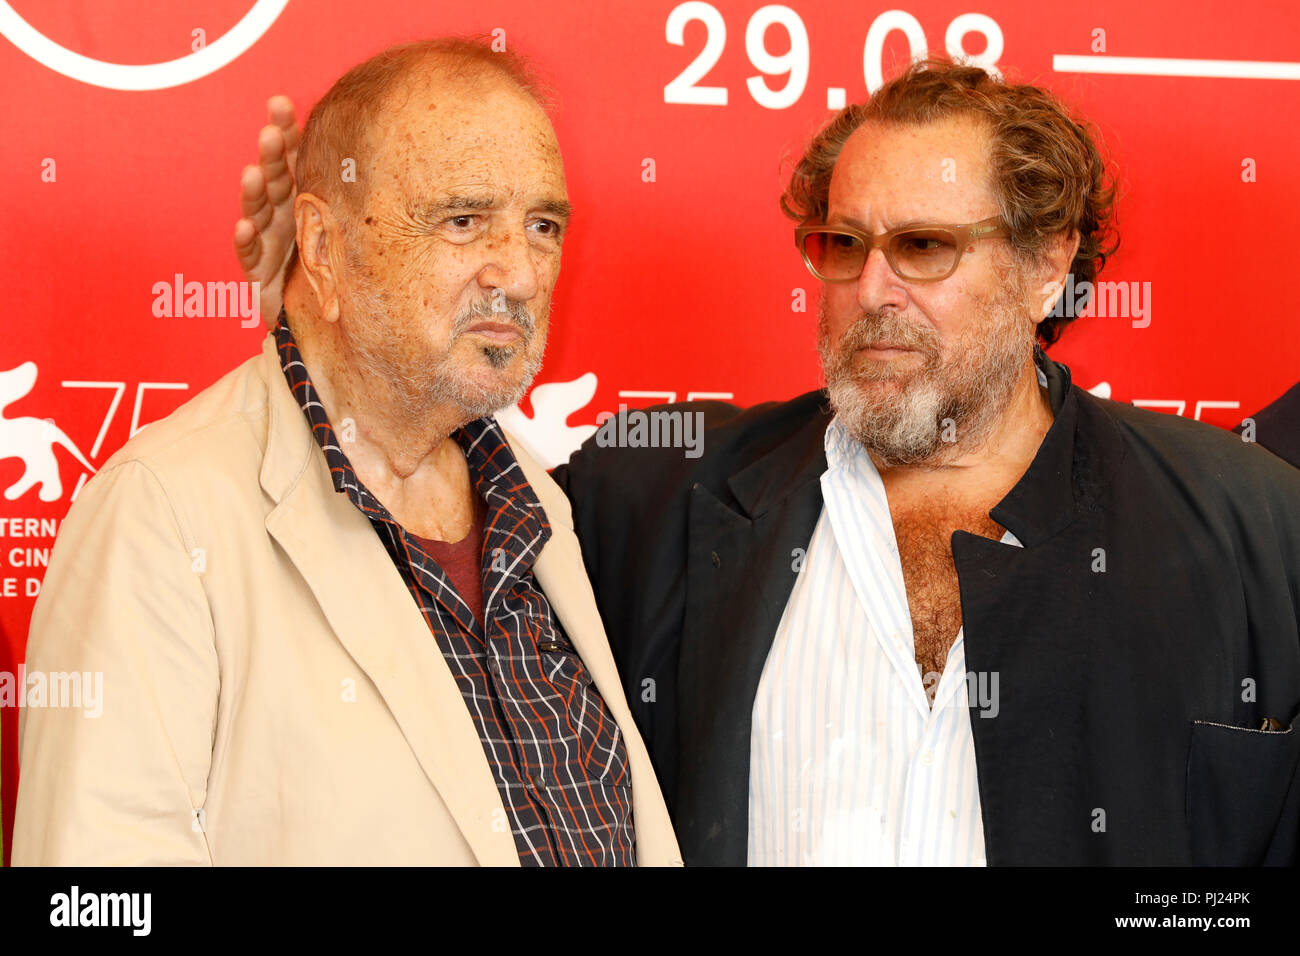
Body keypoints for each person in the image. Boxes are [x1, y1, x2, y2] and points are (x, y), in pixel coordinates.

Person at [232, 57, 1300, 867]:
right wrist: (339, 306)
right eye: (842, 246)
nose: (871, 289)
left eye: (923, 247)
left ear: (1046, 263)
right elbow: (401, 501)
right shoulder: (658, 496)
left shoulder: (1249, 527)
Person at [13, 38, 681, 867]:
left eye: (542, 225)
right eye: (463, 220)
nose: (517, 271)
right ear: (323, 248)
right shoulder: (162, 513)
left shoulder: (536, 506)